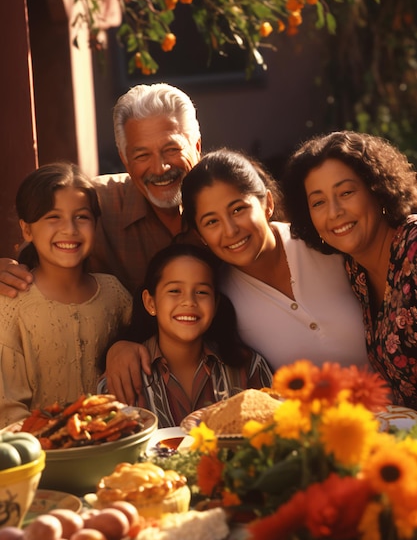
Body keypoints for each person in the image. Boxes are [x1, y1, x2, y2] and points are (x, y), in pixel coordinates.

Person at [0, 83, 201, 298]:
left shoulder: (226, 198)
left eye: (171, 149)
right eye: (142, 155)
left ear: (196, 147)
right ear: (124, 159)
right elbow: (27, 260)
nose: (160, 168)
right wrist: (6, 272)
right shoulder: (91, 202)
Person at [180, 148, 369, 373]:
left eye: (238, 209)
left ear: (267, 204)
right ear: (200, 235)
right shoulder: (219, 300)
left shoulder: (326, 242)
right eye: (212, 222)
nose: (230, 231)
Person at [279, 130, 417, 407]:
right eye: (318, 202)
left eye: (346, 192)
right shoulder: (356, 271)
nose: (334, 212)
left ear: (377, 189)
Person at [0, 162, 132, 429]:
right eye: (53, 217)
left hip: (111, 446)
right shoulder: (10, 304)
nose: (69, 229)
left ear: (96, 224)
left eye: (81, 216)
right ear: (27, 230)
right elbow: (8, 409)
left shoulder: (115, 294)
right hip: (41, 457)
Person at [114, 243, 272, 427]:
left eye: (201, 292)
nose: (189, 302)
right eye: (174, 291)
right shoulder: (123, 374)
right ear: (150, 303)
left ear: (215, 303)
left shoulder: (250, 367)